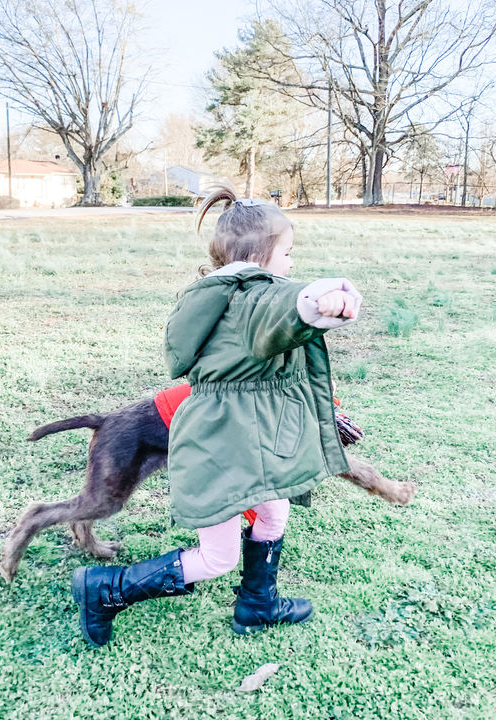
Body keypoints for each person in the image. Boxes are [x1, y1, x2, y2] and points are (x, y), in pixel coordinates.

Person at [71, 182, 362, 648]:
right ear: (262, 254)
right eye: (287, 251)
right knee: (217, 557)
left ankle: (257, 605)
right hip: (223, 447)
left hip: (238, 440)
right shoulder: (250, 299)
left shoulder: (223, 294)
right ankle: (106, 589)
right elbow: (285, 308)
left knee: (273, 512)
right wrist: (325, 297)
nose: (290, 262)